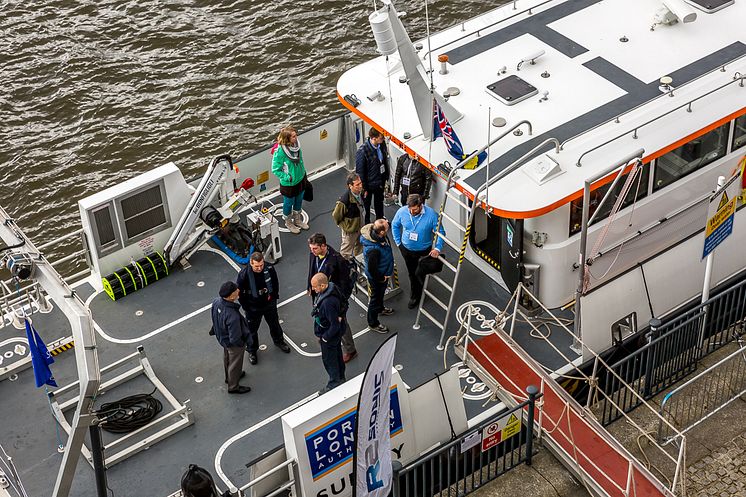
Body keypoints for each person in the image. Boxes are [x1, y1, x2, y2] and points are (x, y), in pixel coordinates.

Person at [307, 233, 357, 363]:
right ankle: (325, 335)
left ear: (323, 246)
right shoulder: (314, 254)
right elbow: (311, 270)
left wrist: (341, 306)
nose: (312, 251)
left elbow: (345, 284)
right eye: (311, 248)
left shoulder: (337, 260)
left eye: (315, 249)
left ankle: (350, 349)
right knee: (322, 316)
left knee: (341, 322)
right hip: (319, 294)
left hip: (334, 298)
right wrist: (309, 286)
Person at [236, 251, 292, 365]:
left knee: (274, 324)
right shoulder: (244, 275)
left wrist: (274, 298)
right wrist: (247, 307)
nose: (260, 268)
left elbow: (275, 283)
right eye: (257, 266)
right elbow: (240, 293)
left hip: (269, 303)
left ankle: (279, 341)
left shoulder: (269, 268)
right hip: (253, 307)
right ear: (251, 263)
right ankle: (252, 350)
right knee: (252, 330)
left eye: (261, 265)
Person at [391, 194, 445, 309]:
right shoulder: (402, 211)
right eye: (409, 209)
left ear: (421, 205)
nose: (411, 212)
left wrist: (437, 248)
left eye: (414, 209)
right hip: (406, 249)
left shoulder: (432, 215)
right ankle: (415, 294)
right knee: (412, 273)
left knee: (420, 272)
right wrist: (398, 243)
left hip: (424, 250)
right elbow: (395, 226)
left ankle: (420, 285)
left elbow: (440, 232)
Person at [211, 281, 251, 394]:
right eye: (236, 290)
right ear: (231, 296)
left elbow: (214, 317)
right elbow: (235, 337)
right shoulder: (232, 316)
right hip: (232, 343)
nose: (238, 290)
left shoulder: (216, 302)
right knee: (235, 363)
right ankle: (233, 386)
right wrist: (242, 344)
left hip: (222, 338)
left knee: (227, 358)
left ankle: (229, 377)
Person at [311, 273, 346, 394]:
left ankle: (334, 383)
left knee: (329, 360)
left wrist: (325, 338)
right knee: (337, 355)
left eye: (315, 287)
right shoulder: (333, 289)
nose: (313, 289)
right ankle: (341, 377)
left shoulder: (327, 303)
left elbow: (334, 324)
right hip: (335, 334)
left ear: (323, 285)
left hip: (329, 336)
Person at [271, 125, 309, 234]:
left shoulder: (297, 146)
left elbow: (300, 160)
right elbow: (275, 170)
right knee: (288, 203)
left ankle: (297, 220)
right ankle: (288, 222)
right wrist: (288, 177)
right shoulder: (280, 153)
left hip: (300, 179)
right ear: (287, 139)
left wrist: (303, 173)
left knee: (299, 200)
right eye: (293, 136)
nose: (296, 137)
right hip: (289, 184)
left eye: (295, 135)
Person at [360, 219, 394, 333]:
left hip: (382, 273)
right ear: (382, 232)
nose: (388, 227)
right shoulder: (373, 250)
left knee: (380, 295)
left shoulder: (378, 238)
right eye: (387, 227)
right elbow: (372, 269)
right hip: (377, 278)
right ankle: (373, 323)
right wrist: (381, 278)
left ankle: (380, 308)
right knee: (375, 299)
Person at [355, 127, 390, 224]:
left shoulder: (381, 145)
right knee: (366, 206)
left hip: (380, 181)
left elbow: (384, 161)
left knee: (379, 203)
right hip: (368, 185)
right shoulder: (362, 151)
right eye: (381, 137)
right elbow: (360, 172)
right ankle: (367, 225)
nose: (383, 139)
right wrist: (364, 188)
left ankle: (380, 221)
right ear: (374, 138)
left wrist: (386, 176)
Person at [331, 173, 365, 260]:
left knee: (360, 246)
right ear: (350, 186)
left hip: (360, 226)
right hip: (350, 231)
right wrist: (345, 226)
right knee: (345, 252)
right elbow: (336, 216)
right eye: (357, 184)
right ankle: (343, 269)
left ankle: (359, 263)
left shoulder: (360, 193)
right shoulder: (344, 201)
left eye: (360, 183)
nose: (361, 186)